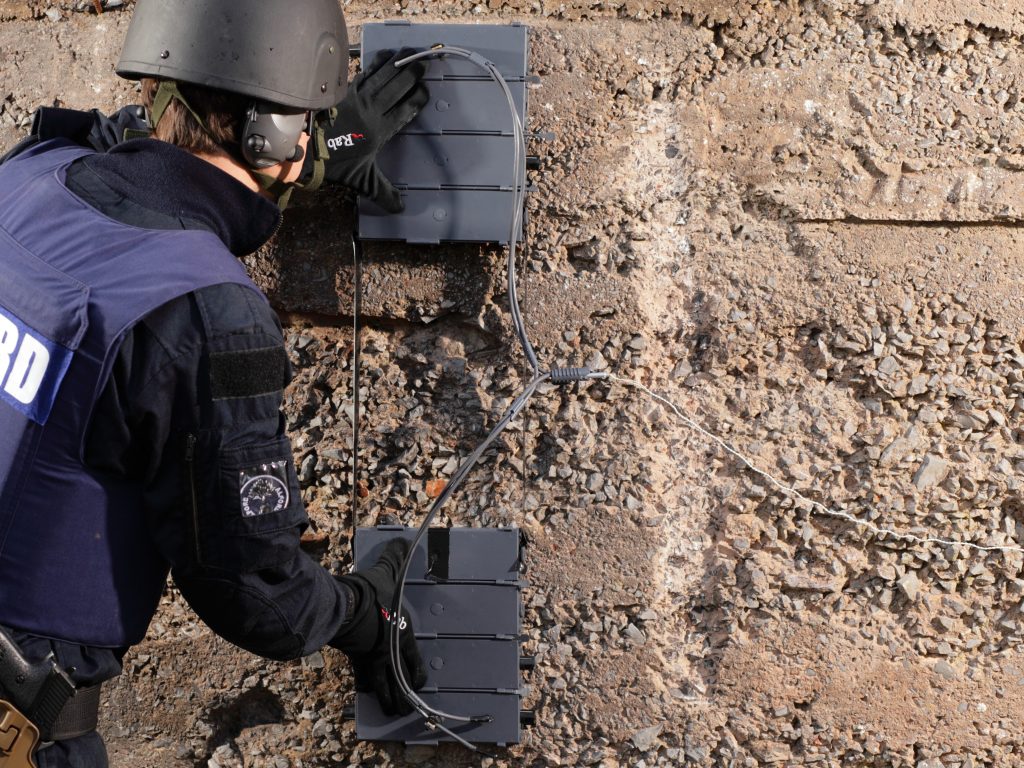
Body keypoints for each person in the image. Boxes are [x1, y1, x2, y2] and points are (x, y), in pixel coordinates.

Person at [0, 2, 430, 766]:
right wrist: (363, 617)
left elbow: (116, 149)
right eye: (308, 122)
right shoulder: (206, 310)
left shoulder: (28, 179)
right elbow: (253, 587)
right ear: (272, 135)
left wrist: (309, 151)